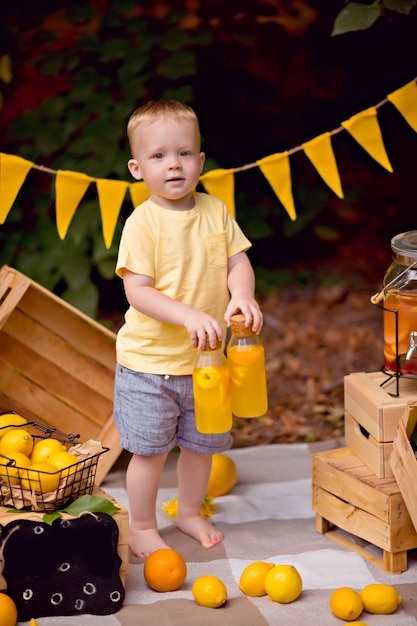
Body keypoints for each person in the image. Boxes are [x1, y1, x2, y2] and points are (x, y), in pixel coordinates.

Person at [113, 99, 263, 559]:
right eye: (158, 156)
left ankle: (190, 512)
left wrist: (242, 294)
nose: (173, 164)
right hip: (150, 367)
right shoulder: (143, 223)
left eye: (183, 153)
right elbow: (138, 291)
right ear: (138, 169)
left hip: (207, 363)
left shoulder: (215, 211)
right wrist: (188, 315)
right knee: (150, 452)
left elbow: (239, 262)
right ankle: (141, 525)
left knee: (201, 448)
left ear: (200, 161)